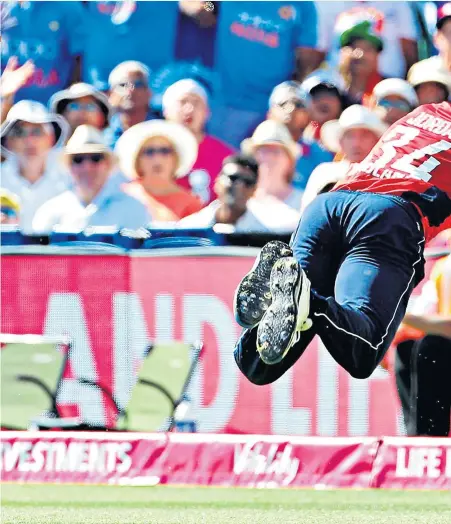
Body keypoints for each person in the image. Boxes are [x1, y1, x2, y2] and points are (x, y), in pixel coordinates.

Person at [232, 101, 451, 385]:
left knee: (257, 366)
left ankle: (292, 286)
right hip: (388, 215)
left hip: (326, 206)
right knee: (363, 351)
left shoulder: (427, 111)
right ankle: (309, 301)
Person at [209, 1, 322, 147]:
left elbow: (306, 55)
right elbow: (204, 5)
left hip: (270, 111)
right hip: (222, 101)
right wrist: (207, 8)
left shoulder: (303, 5)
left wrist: (287, 100)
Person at [32, 125, 151, 232]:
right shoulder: (50, 211)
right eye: (78, 159)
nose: (87, 167)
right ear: (69, 167)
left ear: (108, 165)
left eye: (95, 158)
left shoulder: (134, 208)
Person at [180, 153, 299, 233]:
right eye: (233, 178)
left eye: (247, 181)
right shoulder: (188, 229)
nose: (239, 185)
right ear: (217, 182)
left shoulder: (267, 233)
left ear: (254, 190)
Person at [400, 250, 451, 436]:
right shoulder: (444, 268)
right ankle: (418, 438)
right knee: (405, 347)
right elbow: (420, 319)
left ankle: (432, 435)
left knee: (433, 347)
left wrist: (397, 314)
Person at [301, 105, 387, 213]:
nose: (356, 143)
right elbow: (307, 215)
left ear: (377, 141)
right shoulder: (323, 173)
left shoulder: (385, 175)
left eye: (364, 135)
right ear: (340, 142)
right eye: (350, 136)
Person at [0, 100, 70, 232]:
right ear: (8, 141)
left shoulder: (72, 177)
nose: (30, 140)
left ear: (51, 138)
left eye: (37, 132)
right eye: (20, 133)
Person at [162, 78, 234, 204]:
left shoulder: (225, 156)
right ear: (166, 111)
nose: (189, 109)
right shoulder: (152, 152)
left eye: (196, 103)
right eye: (183, 102)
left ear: (207, 112)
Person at [116, 120, 203, 221]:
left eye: (165, 151)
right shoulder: (121, 196)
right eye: (149, 151)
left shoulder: (191, 203)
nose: (157, 158)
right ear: (137, 160)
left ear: (176, 158)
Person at [0, 0, 84, 103]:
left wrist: (68, 101)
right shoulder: (3, 7)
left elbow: (79, 59)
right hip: (6, 104)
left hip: (53, 107)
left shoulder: (69, 7)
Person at [267, 80, 334, 190]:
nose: (291, 109)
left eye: (298, 104)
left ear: (308, 116)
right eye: (283, 104)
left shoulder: (321, 156)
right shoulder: (256, 149)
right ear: (270, 113)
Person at [241, 120, 303, 210]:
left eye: (276, 151)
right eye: (264, 150)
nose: (269, 156)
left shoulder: (304, 203)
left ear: (289, 161)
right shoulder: (238, 202)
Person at [104, 61, 157, 148]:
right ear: (111, 94)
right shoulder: (101, 138)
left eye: (138, 84)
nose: (131, 90)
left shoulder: (165, 133)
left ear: (149, 93)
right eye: (123, 85)